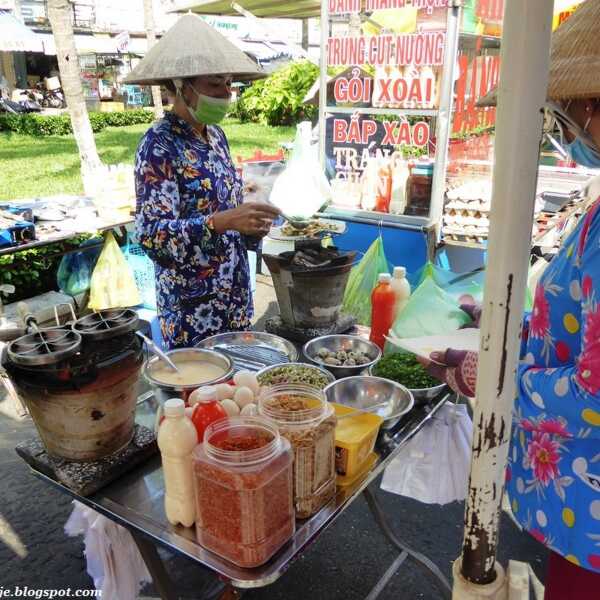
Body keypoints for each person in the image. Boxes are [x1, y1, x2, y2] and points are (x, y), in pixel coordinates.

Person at [425, 3, 600, 598]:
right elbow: (575, 325)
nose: (565, 129)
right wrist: (503, 327)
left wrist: (494, 376)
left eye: (570, 112)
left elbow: (594, 393)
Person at [125, 15, 280, 348]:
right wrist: (219, 222)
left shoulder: (216, 136)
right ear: (183, 86)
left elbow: (224, 206)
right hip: (191, 308)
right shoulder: (159, 145)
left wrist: (249, 221)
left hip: (233, 293)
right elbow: (152, 237)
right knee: (197, 394)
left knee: (236, 389)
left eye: (229, 83)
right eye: (215, 84)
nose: (226, 93)